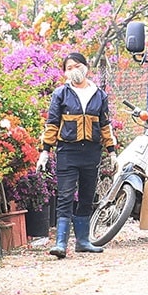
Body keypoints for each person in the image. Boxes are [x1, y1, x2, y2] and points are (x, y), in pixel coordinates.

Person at [36, 52, 118, 258]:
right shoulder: (60, 94)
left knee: (87, 196)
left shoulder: (99, 95)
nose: (73, 70)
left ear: (85, 67)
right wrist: (45, 151)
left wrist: (112, 152)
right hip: (67, 151)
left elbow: (105, 125)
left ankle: (82, 241)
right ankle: (61, 244)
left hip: (91, 152)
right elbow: (52, 123)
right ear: (65, 72)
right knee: (64, 196)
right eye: (69, 67)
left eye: (76, 66)